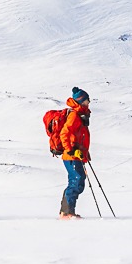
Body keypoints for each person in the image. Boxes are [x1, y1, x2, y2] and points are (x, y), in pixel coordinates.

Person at [55, 87, 91, 218]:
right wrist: (70, 151)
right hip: (71, 155)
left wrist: (85, 152)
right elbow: (65, 133)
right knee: (77, 181)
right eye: (87, 100)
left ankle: (68, 212)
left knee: (76, 182)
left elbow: (80, 136)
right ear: (81, 100)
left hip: (77, 155)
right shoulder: (74, 115)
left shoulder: (81, 114)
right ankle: (66, 213)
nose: (89, 102)